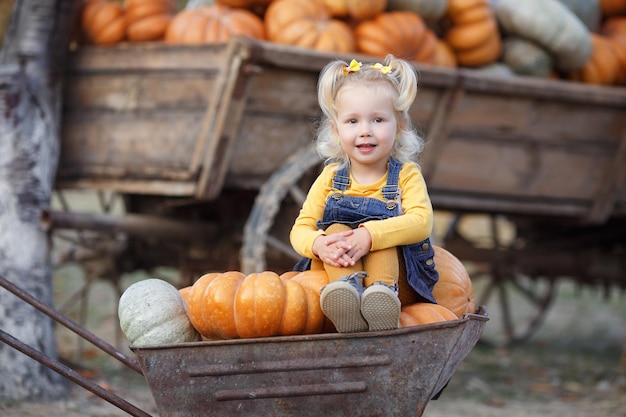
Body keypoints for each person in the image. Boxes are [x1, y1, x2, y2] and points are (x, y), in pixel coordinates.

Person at [289, 55, 439, 333]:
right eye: (353, 121)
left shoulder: (406, 174)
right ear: (336, 130)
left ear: (400, 125)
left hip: (396, 285)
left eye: (378, 120)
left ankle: (381, 300)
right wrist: (319, 244)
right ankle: (345, 298)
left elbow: (422, 221)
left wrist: (370, 236)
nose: (365, 132)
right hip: (335, 277)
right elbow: (300, 229)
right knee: (333, 228)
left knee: (386, 237)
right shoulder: (331, 178)